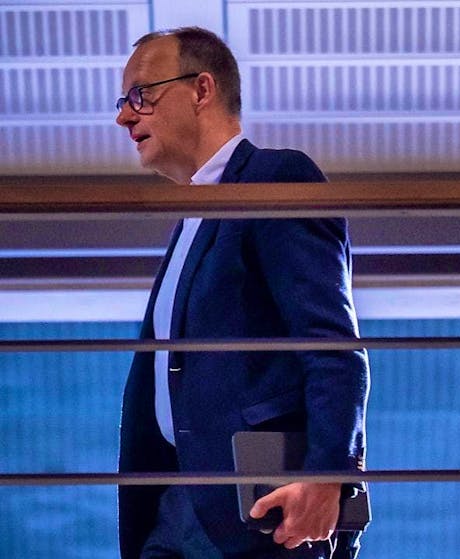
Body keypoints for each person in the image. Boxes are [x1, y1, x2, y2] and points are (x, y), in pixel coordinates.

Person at [114, 27, 369, 559]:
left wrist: (328, 476)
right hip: (171, 507)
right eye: (124, 102)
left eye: (141, 95)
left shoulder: (276, 178)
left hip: (260, 513)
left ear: (202, 90)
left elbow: (332, 346)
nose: (124, 117)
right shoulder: (190, 218)